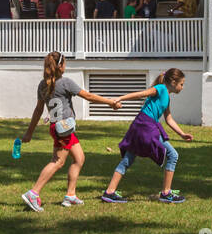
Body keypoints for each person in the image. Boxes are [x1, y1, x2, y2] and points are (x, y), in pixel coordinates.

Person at [19, 52, 123, 211]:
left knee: (79, 158)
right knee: (57, 162)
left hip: (59, 128)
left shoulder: (42, 85)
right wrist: (110, 102)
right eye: (65, 63)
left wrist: (29, 133)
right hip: (63, 130)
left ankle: (70, 195)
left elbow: (38, 110)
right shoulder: (65, 82)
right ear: (61, 66)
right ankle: (34, 193)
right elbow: (88, 96)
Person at [100, 68, 193, 204]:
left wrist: (182, 134)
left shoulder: (166, 97)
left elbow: (169, 119)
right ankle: (166, 193)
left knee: (128, 160)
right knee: (173, 155)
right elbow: (141, 94)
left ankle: (109, 192)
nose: (182, 87)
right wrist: (120, 98)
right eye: (181, 84)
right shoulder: (161, 88)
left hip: (140, 125)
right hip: (146, 126)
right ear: (173, 82)